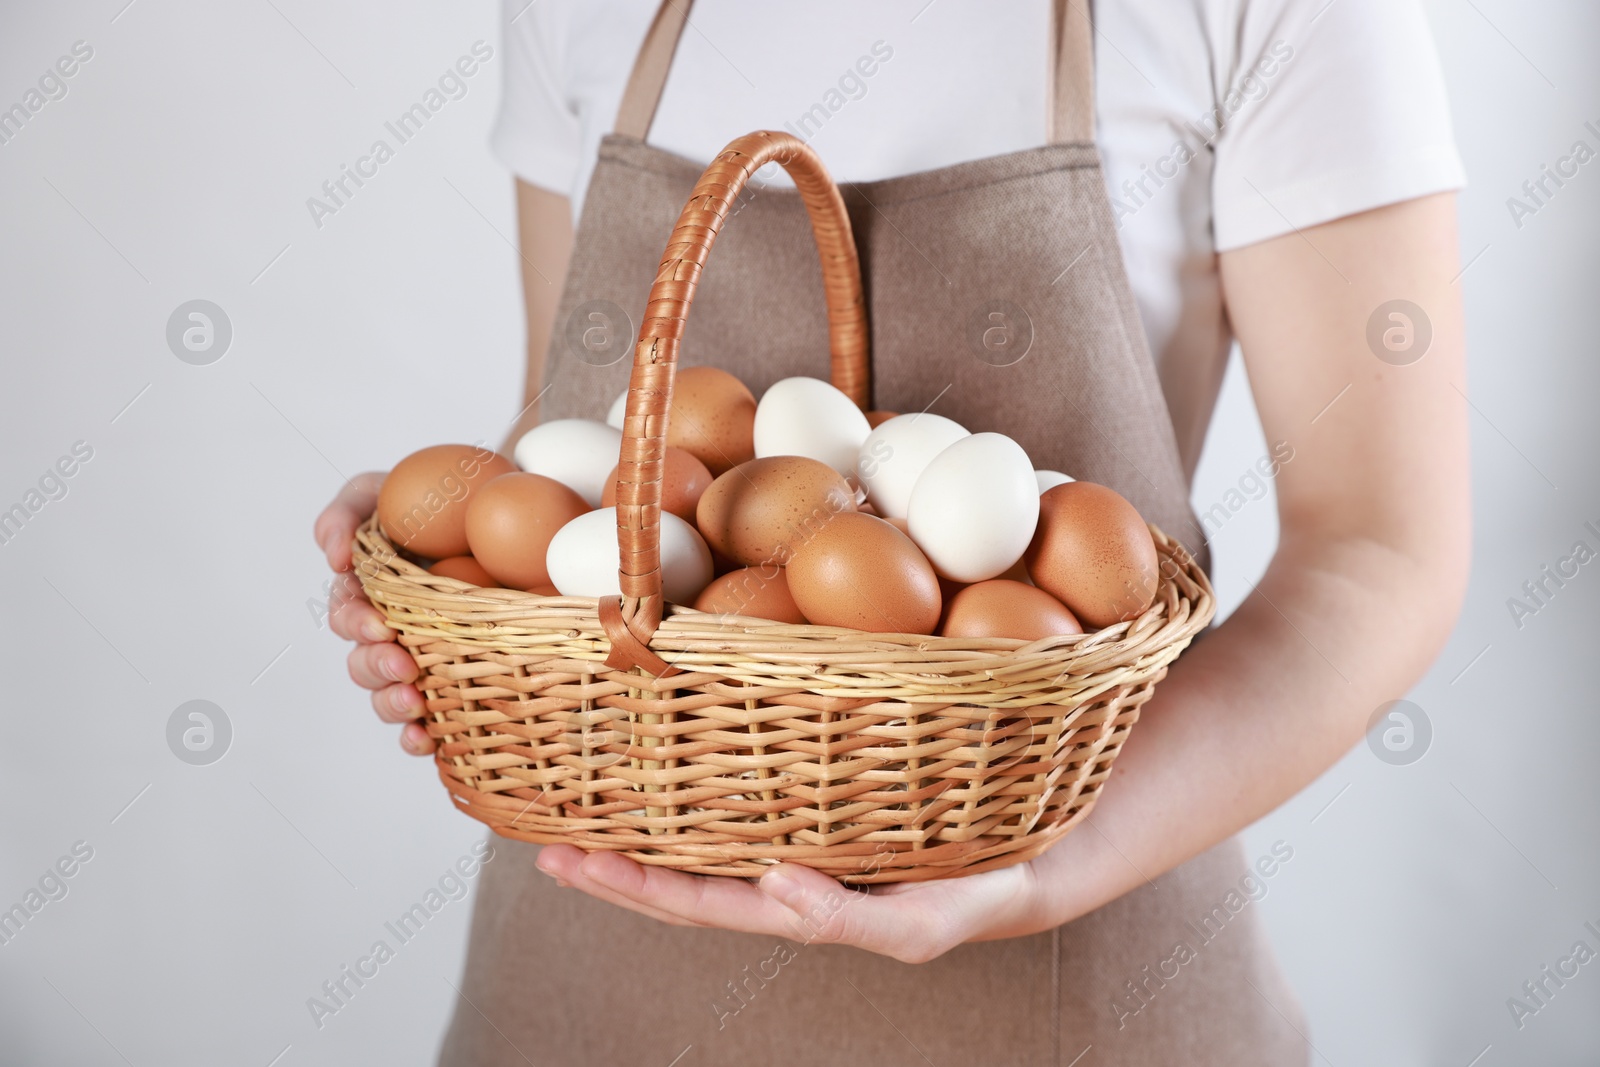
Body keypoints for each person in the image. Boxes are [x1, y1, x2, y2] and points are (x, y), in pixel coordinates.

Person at [314, 1, 1470, 1061]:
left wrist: (1048, 865)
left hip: (1076, 987)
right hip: (580, 977)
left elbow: (1379, 551)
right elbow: (585, 450)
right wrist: (449, 544)